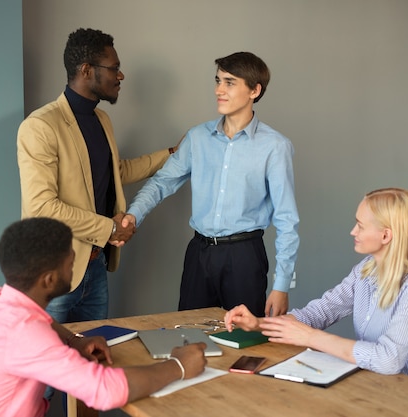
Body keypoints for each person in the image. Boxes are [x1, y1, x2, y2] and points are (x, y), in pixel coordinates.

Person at [0, 218, 206, 417]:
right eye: (70, 263)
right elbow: (105, 390)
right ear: (49, 279)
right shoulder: (25, 334)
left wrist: (73, 340)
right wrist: (178, 366)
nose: (74, 266)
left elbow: (41, 321)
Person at [17, 28, 178, 323]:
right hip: (53, 274)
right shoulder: (40, 126)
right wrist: (110, 229)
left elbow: (117, 172)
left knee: (95, 356)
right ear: (87, 70)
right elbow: (41, 208)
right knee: (51, 366)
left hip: (95, 267)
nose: (121, 76)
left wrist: (171, 153)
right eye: (114, 68)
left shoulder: (101, 119)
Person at [123, 52, 299, 318]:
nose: (219, 90)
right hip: (199, 255)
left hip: (245, 258)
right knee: (190, 338)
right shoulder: (197, 138)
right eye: (218, 81)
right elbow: (162, 182)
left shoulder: (275, 146)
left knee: (242, 347)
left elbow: (287, 219)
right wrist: (132, 216)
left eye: (229, 82)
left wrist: (282, 284)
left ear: (254, 90)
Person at [225, 188, 408, 387]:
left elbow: (388, 359)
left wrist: (310, 337)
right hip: (375, 385)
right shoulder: (365, 270)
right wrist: (258, 324)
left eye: (360, 225)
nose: (353, 231)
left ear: (386, 235)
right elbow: (319, 313)